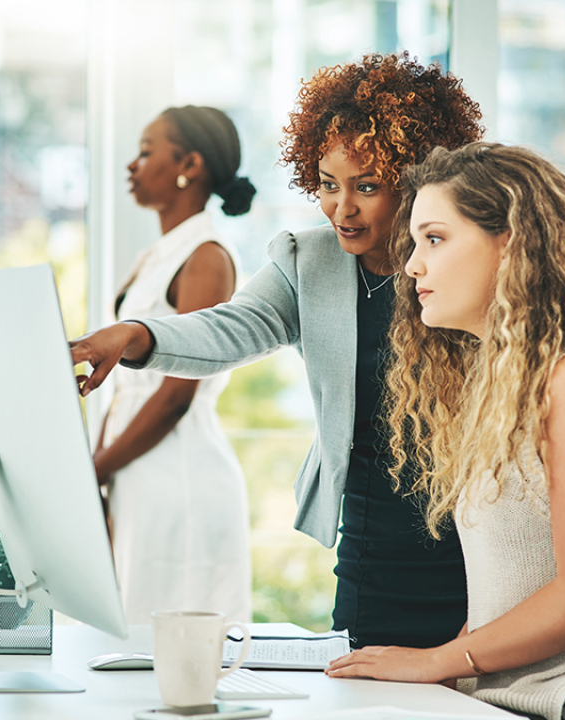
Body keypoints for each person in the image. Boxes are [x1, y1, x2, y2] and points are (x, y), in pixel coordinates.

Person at [71, 53, 482, 647]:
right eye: (328, 185)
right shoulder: (307, 262)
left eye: (367, 187)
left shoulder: (462, 263)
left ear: (418, 182)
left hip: (472, 544)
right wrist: (139, 335)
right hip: (369, 545)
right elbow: (230, 328)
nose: (342, 208)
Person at [324, 142, 565, 720]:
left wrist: (436, 661)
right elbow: (508, 590)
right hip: (504, 699)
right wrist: (446, 669)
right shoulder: (500, 382)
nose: (412, 265)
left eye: (434, 239)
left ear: (510, 244)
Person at [100, 106, 257, 624]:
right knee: (128, 637)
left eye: (147, 152)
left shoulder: (206, 256)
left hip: (178, 479)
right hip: (138, 470)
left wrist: (95, 469)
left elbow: (174, 395)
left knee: (168, 645)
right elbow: (128, 390)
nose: (133, 165)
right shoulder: (160, 254)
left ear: (189, 164)